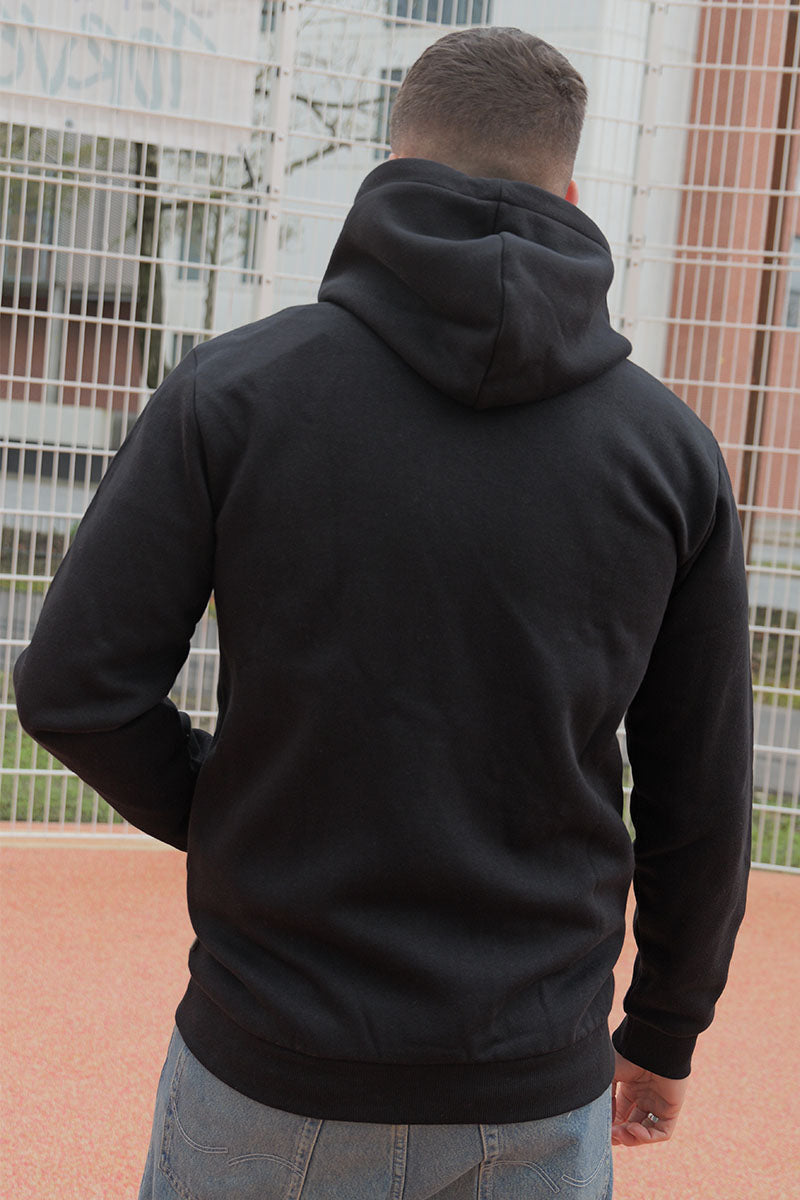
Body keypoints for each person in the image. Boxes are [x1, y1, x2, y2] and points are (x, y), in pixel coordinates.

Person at [13, 26, 752, 1200]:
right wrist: (664, 1026)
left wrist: (228, 812)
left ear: (391, 166)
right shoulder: (668, 452)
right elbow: (699, 788)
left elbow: (72, 689)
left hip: (272, 1050)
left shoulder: (234, 392)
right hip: (530, 1078)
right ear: (569, 194)